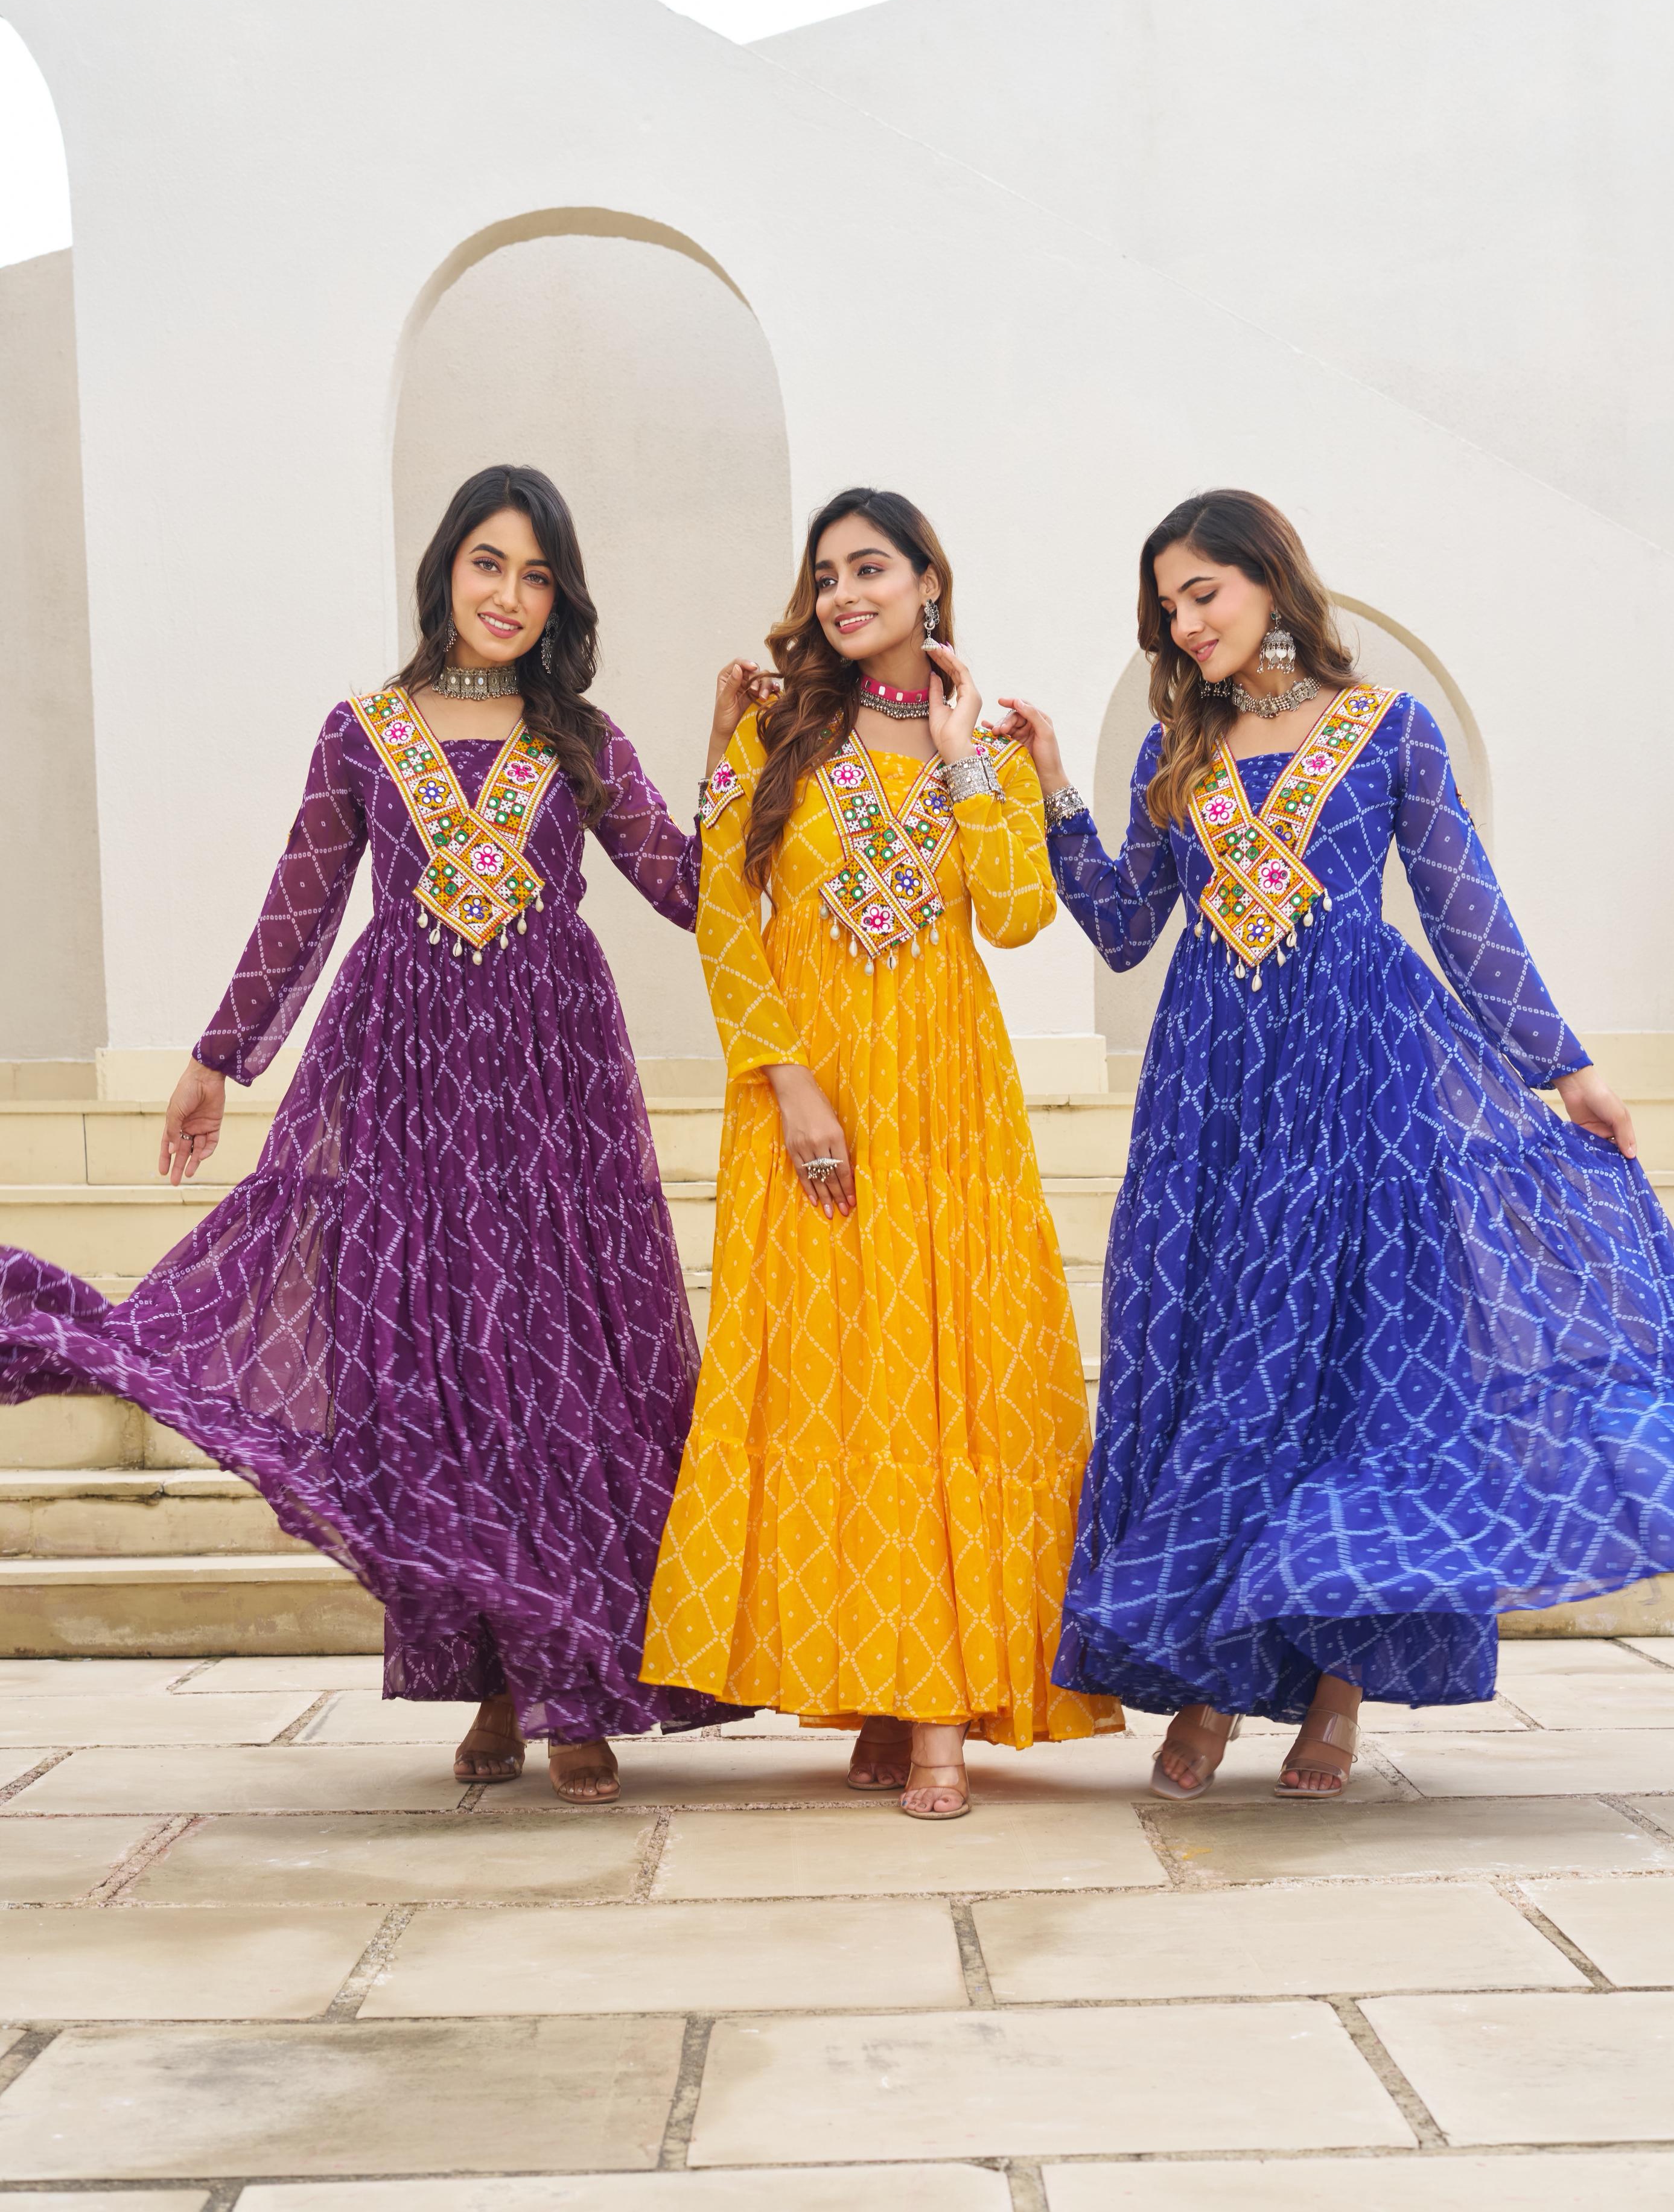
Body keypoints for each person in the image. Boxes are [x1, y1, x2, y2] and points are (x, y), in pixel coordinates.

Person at [0, 465, 763, 1800]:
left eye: (536, 576)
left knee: (552, 1368)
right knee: (438, 1372)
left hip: (553, 1093)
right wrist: (217, 1059)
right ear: (444, 571)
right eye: (488, 564)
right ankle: (496, 1682)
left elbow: (693, 889)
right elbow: (298, 905)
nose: (508, 595)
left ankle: (571, 1681)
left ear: (561, 599)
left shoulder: (580, 737)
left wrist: (728, 750)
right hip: (404, 1083)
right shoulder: (362, 731)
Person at [999, 488, 1673, 1800]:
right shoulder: (1176, 751)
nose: (1185, 624)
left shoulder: (1387, 726)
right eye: (1167, 606)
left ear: (1269, 578)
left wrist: (1565, 1067)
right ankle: (1208, 1677)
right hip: (1210, 1100)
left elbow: (1462, 908)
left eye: (1203, 592)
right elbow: (1126, 928)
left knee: (1352, 1378)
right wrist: (1051, 788)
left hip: (1360, 1091)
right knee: (1216, 1369)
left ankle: (1338, 1690)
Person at [641, 486, 1122, 1818]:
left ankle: (938, 1713)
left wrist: (969, 760)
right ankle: (873, 1679)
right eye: (825, 575)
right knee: (837, 1386)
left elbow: (1018, 916)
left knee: (944, 1384)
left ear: (926, 582)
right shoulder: (774, 732)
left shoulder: (988, 747)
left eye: (868, 568)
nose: (844, 594)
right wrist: (790, 1081)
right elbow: (721, 914)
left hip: (949, 1108)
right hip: (808, 1101)